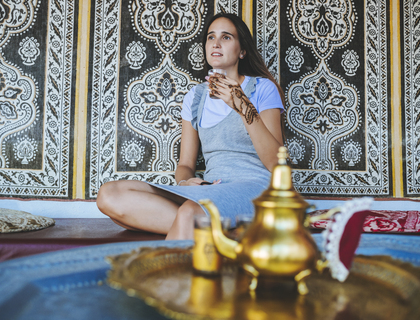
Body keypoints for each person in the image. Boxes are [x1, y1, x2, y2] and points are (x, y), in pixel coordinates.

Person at [96, 13, 285, 240]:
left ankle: (174, 261)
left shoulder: (262, 88)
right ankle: (223, 229)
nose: (215, 43)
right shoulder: (195, 97)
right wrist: (186, 182)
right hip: (211, 188)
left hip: (255, 187)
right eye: (210, 37)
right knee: (110, 195)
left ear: (242, 50)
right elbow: (185, 164)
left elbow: (277, 164)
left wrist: (243, 105)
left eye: (226, 37)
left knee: (189, 213)